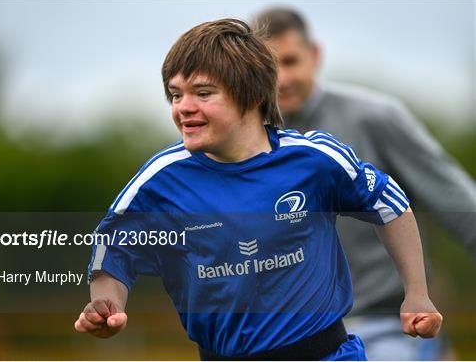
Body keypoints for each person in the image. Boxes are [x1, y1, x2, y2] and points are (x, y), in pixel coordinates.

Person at [74, 18, 442, 360]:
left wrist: (417, 293)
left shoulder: (313, 160)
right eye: (175, 95)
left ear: (251, 96)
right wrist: (107, 305)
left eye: (203, 93)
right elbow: (114, 247)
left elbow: (388, 204)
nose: (183, 107)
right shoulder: (160, 180)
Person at [252, 7, 475, 360]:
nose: (281, 79)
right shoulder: (243, 146)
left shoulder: (375, 118)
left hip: (391, 327)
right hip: (297, 336)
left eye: (291, 61)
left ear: (315, 56)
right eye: (269, 66)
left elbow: (460, 204)